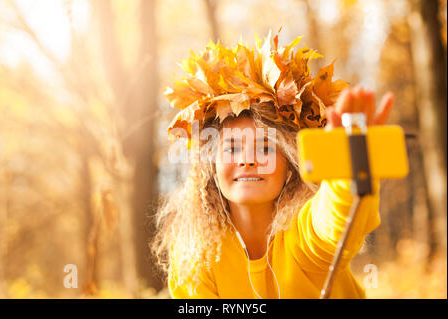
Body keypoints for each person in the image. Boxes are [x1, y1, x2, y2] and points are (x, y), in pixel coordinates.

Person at [151, 31, 394, 299]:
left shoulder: (302, 237)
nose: (247, 159)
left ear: (289, 166)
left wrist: (349, 165)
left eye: (265, 148)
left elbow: (336, 219)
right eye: (232, 148)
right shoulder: (195, 255)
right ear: (212, 167)